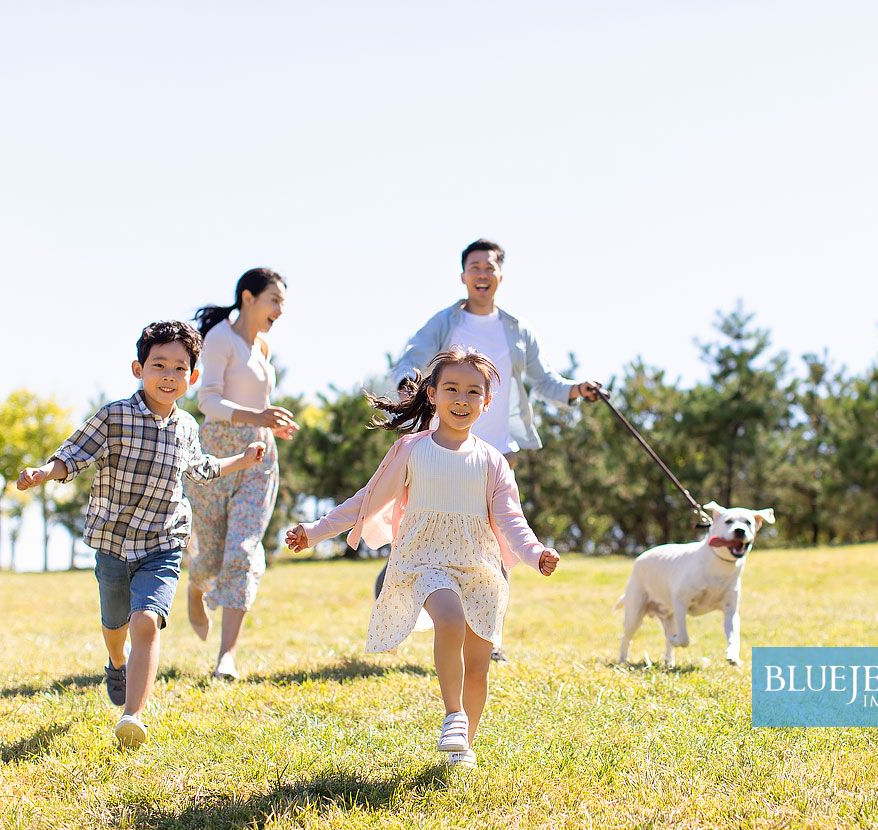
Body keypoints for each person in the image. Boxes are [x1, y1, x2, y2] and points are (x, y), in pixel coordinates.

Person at [285, 348, 559, 769]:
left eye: (473, 392)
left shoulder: (493, 461)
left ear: (487, 403)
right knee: (448, 618)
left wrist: (536, 552)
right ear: (431, 394)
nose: (462, 399)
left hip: (479, 566)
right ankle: (453, 714)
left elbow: (511, 519)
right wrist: (315, 531)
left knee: (479, 665)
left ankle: (464, 744)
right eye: (451, 389)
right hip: (424, 559)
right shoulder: (412, 450)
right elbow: (366, 499)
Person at [16, 321, 265, 747]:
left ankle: (132, 715)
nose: (168, 375)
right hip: (113, 541)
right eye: (158, 365)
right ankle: (117, 661)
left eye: (179, 368)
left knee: (146, 621)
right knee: (115, 624)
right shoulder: (114, 415)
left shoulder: (186, 426)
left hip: (163, 541)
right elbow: (74, 455)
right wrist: (44, 472)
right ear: (138, 368)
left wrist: (241, 460)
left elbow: (201, 468)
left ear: (193, 377)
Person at [386, 238, 598, 661]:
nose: (482, 274)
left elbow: (544, 380)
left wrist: (576, 390)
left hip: (498, 449)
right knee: (431, 527)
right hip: (447, 447)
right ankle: (405, 576)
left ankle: (490, 635)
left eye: (490, 267)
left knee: (498, 540)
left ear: (501, 276)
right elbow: (410, 359)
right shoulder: (445, 323)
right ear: (463, 276)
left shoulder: (517, 329)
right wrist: (410, 383)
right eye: (475, 267)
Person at [184, 268, 298, 680]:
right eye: (275, 300)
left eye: (283, 303)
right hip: (214, 452)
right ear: (248, 297)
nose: (280, 311)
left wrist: (270, 426)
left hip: (258, 456)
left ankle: (225, 657)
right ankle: (196, 588)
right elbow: (207, 401)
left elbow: (257, 403)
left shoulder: (262, 346)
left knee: (244, 549)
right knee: (210, 555)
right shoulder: (220, 340)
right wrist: (257, 415)